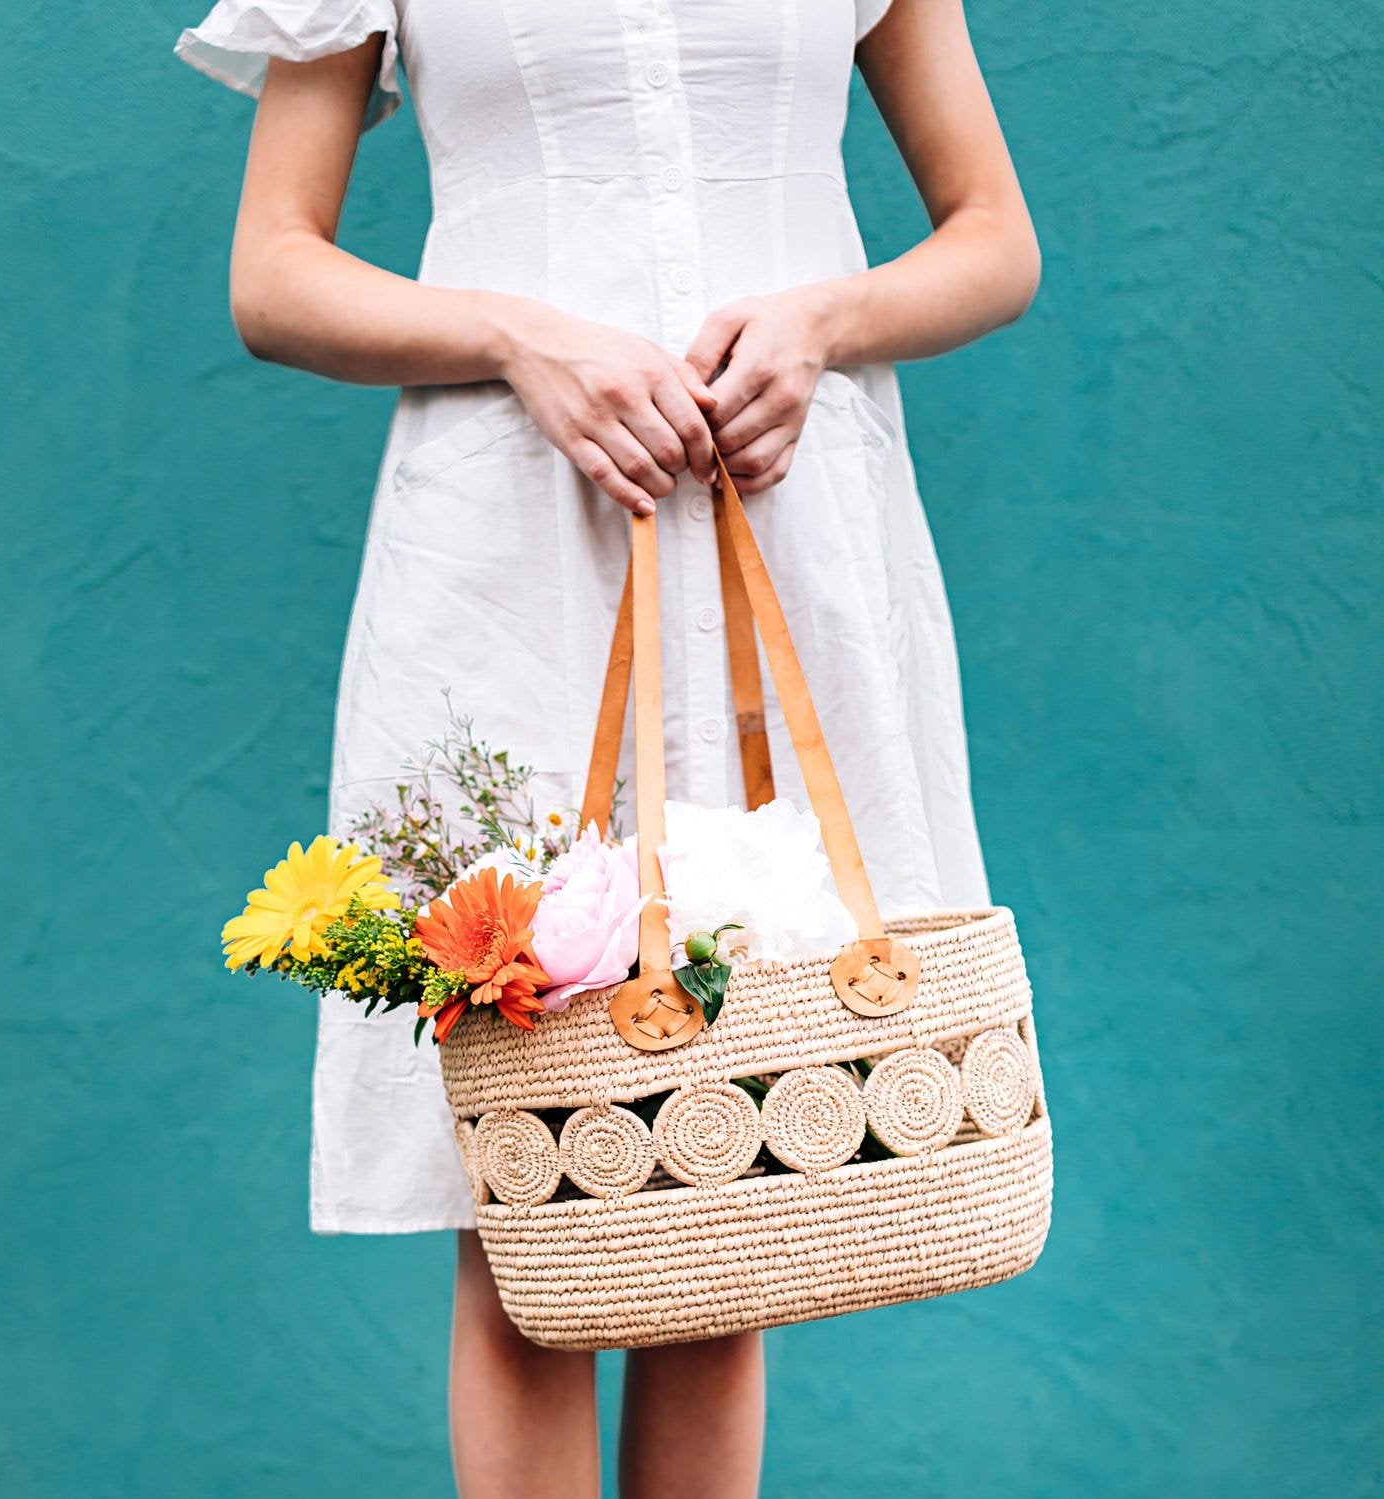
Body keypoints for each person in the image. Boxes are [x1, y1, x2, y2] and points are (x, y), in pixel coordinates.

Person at [173, 1, 1039, 1494]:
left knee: (733, 1171)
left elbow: (993, 237)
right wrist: (521, 335)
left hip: (785, 519)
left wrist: (823, 321)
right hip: (515, 559)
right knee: (530, 1184)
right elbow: (274, 272)